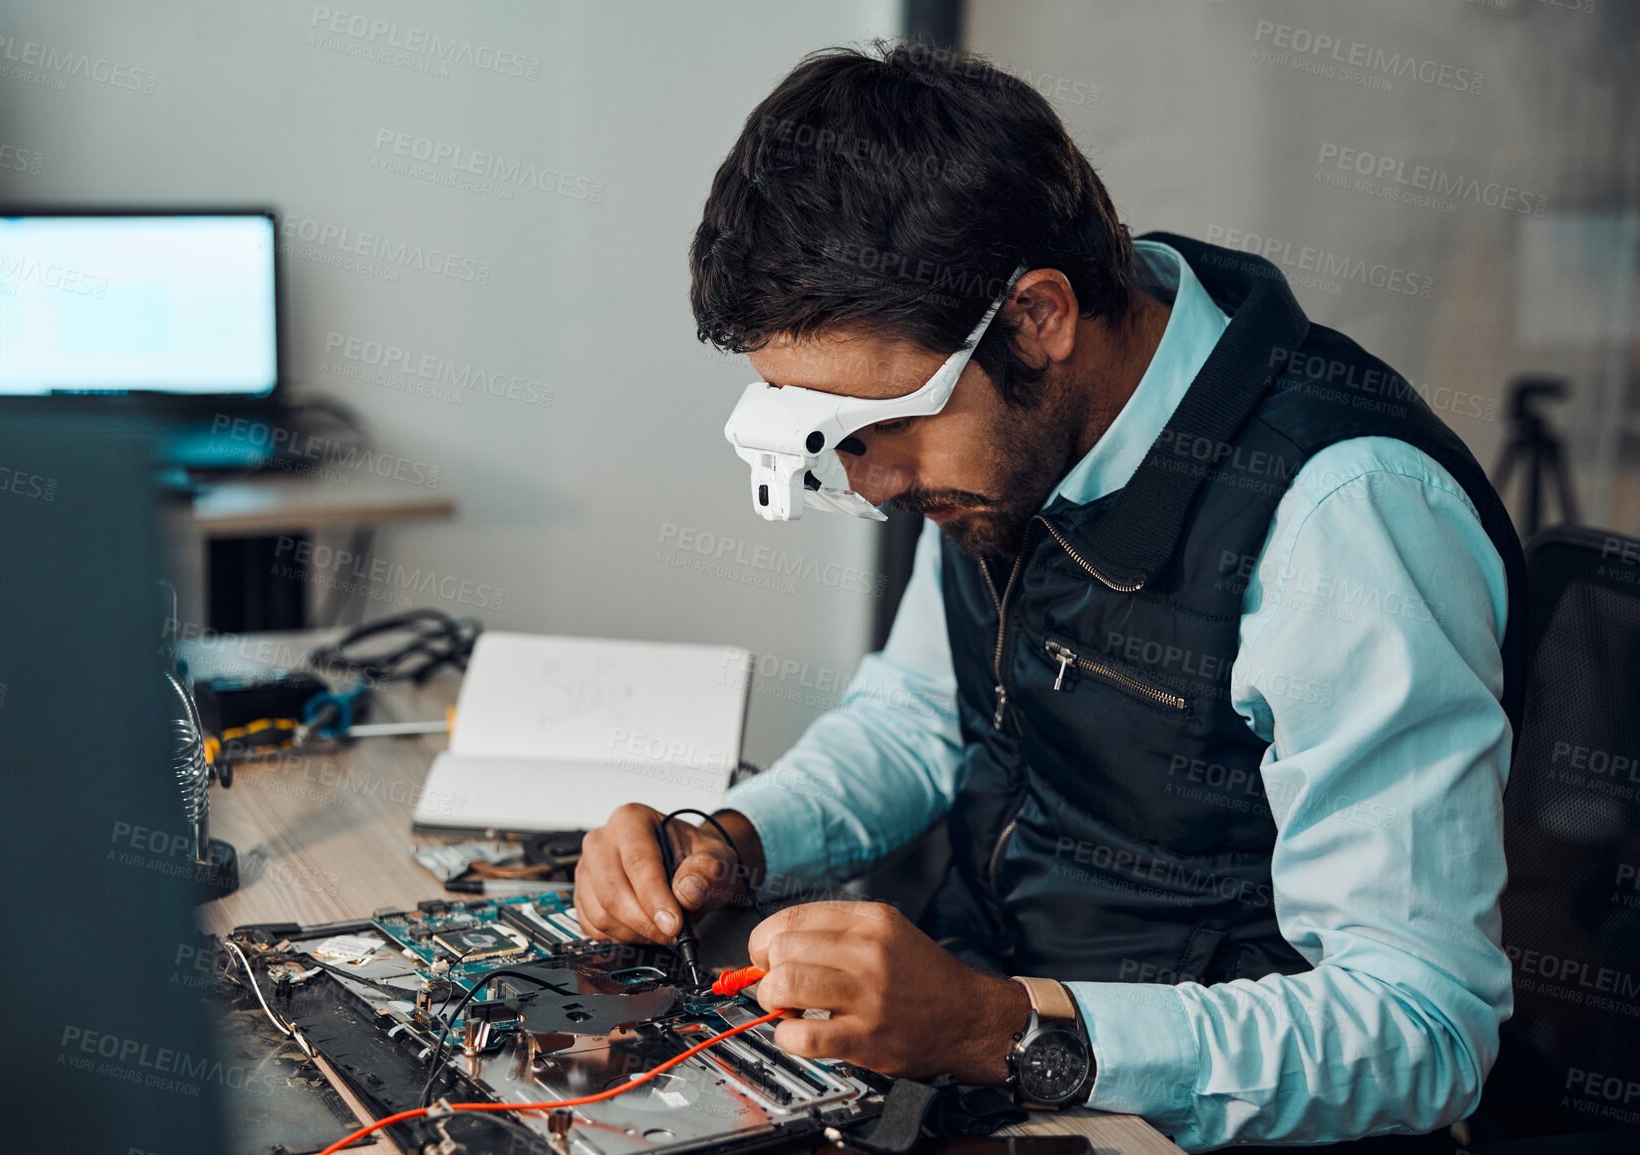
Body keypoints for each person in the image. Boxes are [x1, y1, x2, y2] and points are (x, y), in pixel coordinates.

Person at [575, 42, 1525, 1153]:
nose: (872, 482)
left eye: (881, 430)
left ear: (1037, 317)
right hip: (986, 1062)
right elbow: (922, 720)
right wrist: (734, 841)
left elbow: (1423, 1030)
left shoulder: (1344, 519)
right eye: (826, 441)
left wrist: (1001, 1029)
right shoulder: (1018, 431)